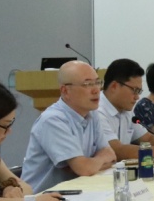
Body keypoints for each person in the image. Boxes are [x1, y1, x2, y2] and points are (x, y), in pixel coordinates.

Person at [21, 61, 118, 191]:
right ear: (65, 91)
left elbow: (111, 156)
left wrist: (92, 163)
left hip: (77, 191)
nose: (96, 90)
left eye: (97, 82)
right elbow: (83, 169)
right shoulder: (53, 120)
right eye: (87, 84)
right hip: (41, 198)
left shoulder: (92, 113)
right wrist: (97, 161)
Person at [97, 58, 154, 160]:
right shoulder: (98, 111)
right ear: (114, 86)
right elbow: (117, 150)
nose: (137, 97)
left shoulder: (126, 110)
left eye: (139, 92)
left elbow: (148, 138)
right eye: (135, 90)